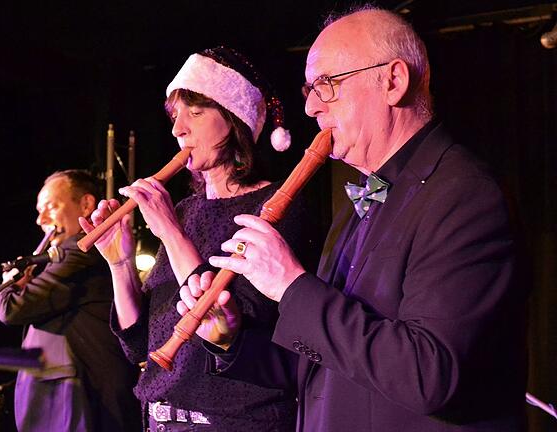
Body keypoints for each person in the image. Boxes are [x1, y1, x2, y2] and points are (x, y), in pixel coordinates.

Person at [181, 6, 528, 432]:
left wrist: (290, 286)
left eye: (326, 85)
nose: (309, 107)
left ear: (393, 81)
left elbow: (429, 375)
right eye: (308, 89)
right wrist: (231, 340)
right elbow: (323, 365)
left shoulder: (463, 195)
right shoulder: (357, 205)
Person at [79, 47, 321, 430]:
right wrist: (119, 263)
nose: (178, 129)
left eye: (195, 112)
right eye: (176, 115)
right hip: (159, 416)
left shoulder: (276, 206)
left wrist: (171, 234)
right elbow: (139, 346)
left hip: (234, 420)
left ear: (234, 119)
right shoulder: (183, 210)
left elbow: (234, 326)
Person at [0, 169, 141, 432]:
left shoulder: (82, 249)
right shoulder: (63, 256)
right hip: (62, 399)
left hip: (80, 400)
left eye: (51, 207)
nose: (41, 220)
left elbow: (12, 309)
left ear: (85, 204)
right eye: (39, 210)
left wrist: (7, 284)